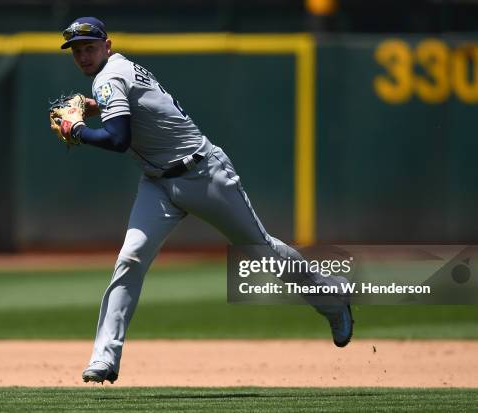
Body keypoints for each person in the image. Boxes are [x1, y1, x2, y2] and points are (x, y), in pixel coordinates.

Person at [52, 17, 353, 384]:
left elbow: (118, 140)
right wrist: (98, 107)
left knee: (261, 251)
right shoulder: (119, 70)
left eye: (90, 47)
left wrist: (78, 130)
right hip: (158, 184)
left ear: (107, 45)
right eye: (77, 51)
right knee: (130, 258)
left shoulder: (109, 77)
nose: (83, 56)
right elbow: (143, 110)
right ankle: (104, 359)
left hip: (204, 174)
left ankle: (332, 300)